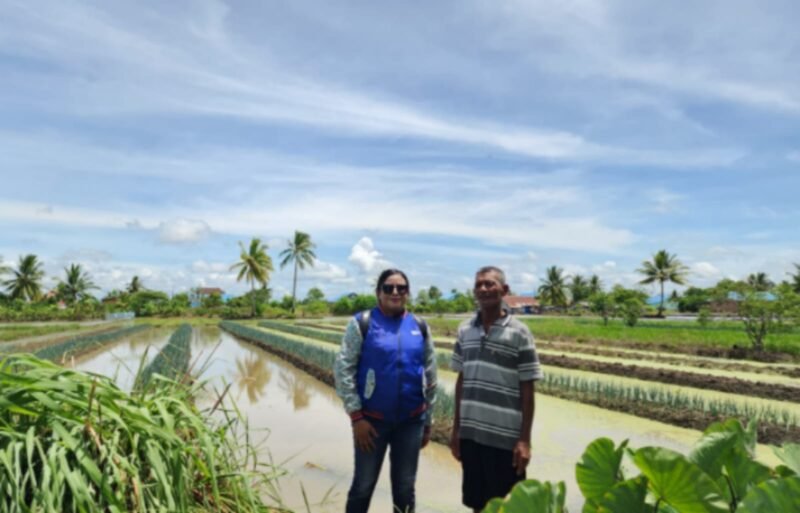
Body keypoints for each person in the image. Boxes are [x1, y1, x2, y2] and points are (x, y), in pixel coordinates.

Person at [334, 268, 438, 513]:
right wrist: (356, 417)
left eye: (401, 288)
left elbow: (431, 374)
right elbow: (343, 369)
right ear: (378, 293)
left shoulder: (419, 326)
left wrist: (427, 420)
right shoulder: (363, 323)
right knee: (363, 485)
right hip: (371, 424)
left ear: (407, 293)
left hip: (411, 422)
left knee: (405, 488)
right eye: (388, 287)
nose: (395, 292)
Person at [450, 266, 543, 512]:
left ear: (504, 290)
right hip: (471, 437)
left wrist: (524, 439)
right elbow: (462, 381)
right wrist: (456, 430)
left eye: (490, 284)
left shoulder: (520, 332)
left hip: (505, 440)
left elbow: (527, 388)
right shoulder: (465, 330)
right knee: (477, 503)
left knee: (508, 505)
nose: (483, 289)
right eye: (479, 284)